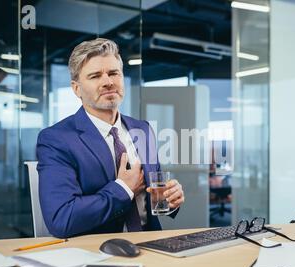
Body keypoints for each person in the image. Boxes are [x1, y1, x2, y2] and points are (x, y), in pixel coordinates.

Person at [36, 38, 185, 238]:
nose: (108, 82)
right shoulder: (56, 139)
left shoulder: (143, 129)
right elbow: (62, 219)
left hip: (152, 245)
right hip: (97, 253)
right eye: (95, 76)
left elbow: (152, 200)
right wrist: (123, 188)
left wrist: (169, 200)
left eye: (114, 73)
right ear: (76, 88)